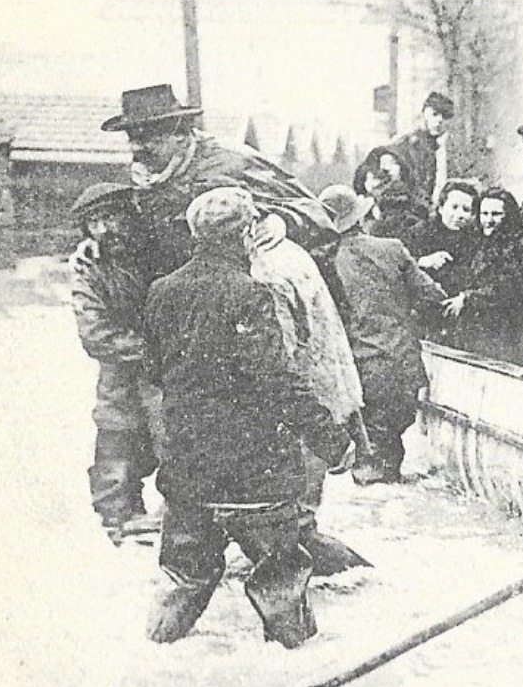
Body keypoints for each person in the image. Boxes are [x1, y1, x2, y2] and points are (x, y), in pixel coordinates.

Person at [142, 187, 352, 647]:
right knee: (280, 583)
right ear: (247, 233)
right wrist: (332, 440)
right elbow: (276, 380)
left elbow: (153, 377)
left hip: (189, 472)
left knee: (184, 581)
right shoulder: (250, 294)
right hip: (254, 473)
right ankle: (301, 678)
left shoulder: (161, 292)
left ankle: (154, 663)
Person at [102, 84, 333, 281]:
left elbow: (315, 211)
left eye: (147, 138)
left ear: (180, 135)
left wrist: (282, 221)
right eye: (132, 139)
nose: (136, 148)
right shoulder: (140, 177)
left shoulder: (232, 162)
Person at [248, 206, 370, 575]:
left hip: (302, 400)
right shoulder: (290, 252)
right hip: (325, 392)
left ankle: (315, 577)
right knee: (302, 508)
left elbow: (280, 356)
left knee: (292, 516)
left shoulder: (267, 269)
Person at [320, 185, 449, 484]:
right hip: (402, 365)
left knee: (368, 463)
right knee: (389, 454)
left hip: (356, 373)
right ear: (361, 218)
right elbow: (434, 296)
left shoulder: (325, 261)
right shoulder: (392, 248)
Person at [68, 183, 163, 545]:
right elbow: (93, 333)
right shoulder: (89, 267)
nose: (105, 229)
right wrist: (149, 352)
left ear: (131, 216)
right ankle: (120, 534)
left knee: (181, 450)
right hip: (122, 374)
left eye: (111, 217)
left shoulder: (162, 249)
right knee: (115, 455)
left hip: (172, 373)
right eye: (94, 222)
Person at [448, 186, 523, 363]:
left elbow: (511, 287)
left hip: (508, 334)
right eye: (484, 214)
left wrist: (468, 298)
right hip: (476, 332)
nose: (488, 220)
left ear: (510, 215)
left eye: (496, 214)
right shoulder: (478, 242)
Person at [407, 180, 482, 344]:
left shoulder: (475, 240)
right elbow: (400, 265)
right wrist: (422, 261)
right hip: (424, 316)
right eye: (454, 207)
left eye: (466, 210)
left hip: (459, 314)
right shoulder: (420, 233)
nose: (460, 214)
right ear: (441, 208)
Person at [354, 91, 453, 211]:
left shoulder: (436, 149)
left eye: (446, 116)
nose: (439, 120)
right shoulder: (406, 145)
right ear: (423, 114)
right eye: (435, 114)